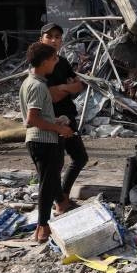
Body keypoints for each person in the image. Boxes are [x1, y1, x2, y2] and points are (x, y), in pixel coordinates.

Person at [19, 43, 75, 242]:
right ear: (44, 63)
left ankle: (52, 213)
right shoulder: (36, 85)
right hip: (43, 141)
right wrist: (59, 128)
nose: (56, 62)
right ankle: (42, 227)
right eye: (53, 59)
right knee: (47, 184)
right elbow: (32, 119)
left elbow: (39, 116)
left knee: (49, 182)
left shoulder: (32, 82)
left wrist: (56, 121)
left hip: (43, 139)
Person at [39, 23, 88, 206]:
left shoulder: (63, 62)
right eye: (49, 36)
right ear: (41, 39)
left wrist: (63, 88)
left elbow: (79, 85)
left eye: (57, 37)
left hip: (68, 116)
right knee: (55, 166)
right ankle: (59, 202)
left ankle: (63, 196)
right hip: (52, 121)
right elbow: (52, 96)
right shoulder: (40, 65)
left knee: (80, 158)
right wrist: (68, 88)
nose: (53, 40)